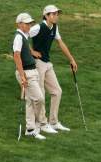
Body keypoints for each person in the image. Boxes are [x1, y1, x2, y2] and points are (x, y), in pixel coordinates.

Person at [29, 5, 78, 133]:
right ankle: (42, 124)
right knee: (41, 94)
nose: (56, 16)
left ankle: (54, 122)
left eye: (57, 14)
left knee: (57, 91)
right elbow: (22, 37)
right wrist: (32, 51)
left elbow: (60, 43)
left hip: (47, 62)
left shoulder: (54, 27)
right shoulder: (38, 27)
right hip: (37, 63)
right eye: (54, 14)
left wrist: (71, 59)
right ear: (46, 15)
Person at [13, 12, 46, 140]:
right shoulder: (18, 37)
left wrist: (32, 52)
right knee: (39, 98)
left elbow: (24, 50)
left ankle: (30, 129)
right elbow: (16, 56)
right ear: (19, 24)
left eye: (30, 23)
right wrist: (22, 76)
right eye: (27, 23)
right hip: (26, 73)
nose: (29, 25)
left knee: (31, 101)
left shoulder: (24, 36)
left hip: (32, 71)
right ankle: (38, 124)